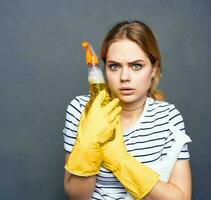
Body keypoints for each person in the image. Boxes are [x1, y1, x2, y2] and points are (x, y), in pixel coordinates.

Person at [63, 20, 192, 200]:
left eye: (136, 65)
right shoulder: (81, 110)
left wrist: (120, 161)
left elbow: (180, 198)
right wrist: (89, 144)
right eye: (114, 66)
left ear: (154, 69)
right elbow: (77, 196)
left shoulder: (168, 118)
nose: (124, 77)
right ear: (105, 69)